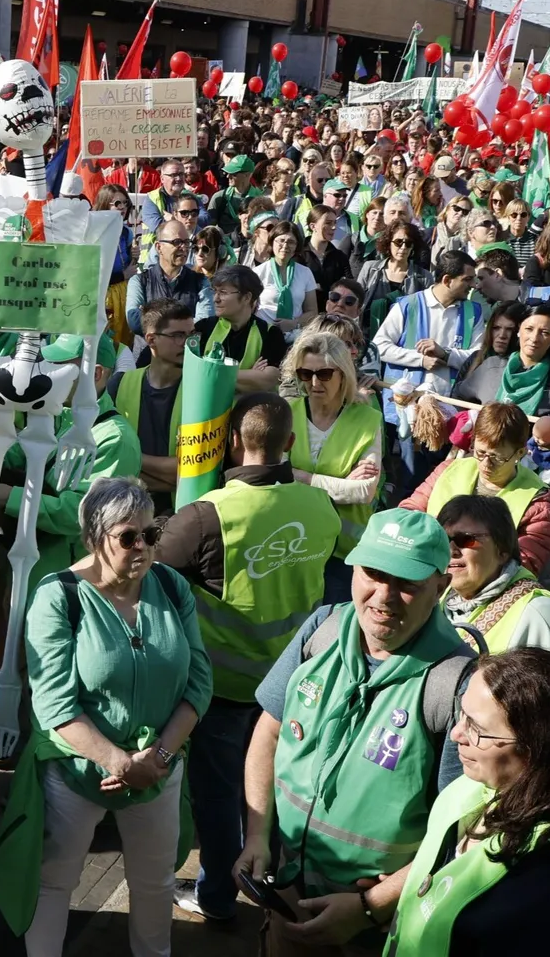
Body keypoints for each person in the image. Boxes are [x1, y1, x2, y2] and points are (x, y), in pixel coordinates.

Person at [239, 508, 476, 953]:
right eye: (374, 573)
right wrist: (256, 837)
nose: (384, 596)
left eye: (407, 583)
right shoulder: (322, 630)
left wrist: (371, 906)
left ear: (441, 586)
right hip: (288, 893)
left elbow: (464, 830)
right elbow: (269, 734)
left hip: (375, 927)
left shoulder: (457, 685)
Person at [0, 478, 211, 956]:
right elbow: (53, 703)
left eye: (151, 534)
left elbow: (199, 681)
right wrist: (119, 762)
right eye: (128, 537)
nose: (143, 547)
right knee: (55, 881)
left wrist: (158, 757)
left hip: (158, 768)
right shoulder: (59, 596)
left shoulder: (171, 586)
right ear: (94, 537)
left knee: (154, 882)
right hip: (76, 771)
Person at [154, 392, 338, 922]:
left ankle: (216, 897)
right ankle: (276, 884)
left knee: (218, 798)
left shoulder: (206, 515)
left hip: (224, 687)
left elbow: (151, 573)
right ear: (290, 442)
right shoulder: (320, 507)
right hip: (293, 684)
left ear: (233, 441)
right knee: (276, 789)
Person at [387, 648, 550, 954]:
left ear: (538, 749)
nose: (456, 734)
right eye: (462, 713)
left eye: (477, 729)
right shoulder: (481, 785)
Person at [434, 495, 550, 678]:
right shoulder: (440, 594)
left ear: (502, 551)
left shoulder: (541, 614)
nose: (452, 550)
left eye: (466, 540)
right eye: (443, 539)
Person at [401, 403, 550, 575]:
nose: (486, 464)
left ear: (520, 453)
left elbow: (525, 563)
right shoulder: (448, 469)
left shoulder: (539, 501)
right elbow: (409, 510)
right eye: (480, 452)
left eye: (497, 458)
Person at [282, 330, 382, 602]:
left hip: (343, 553)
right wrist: (342, 482)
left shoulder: (368, 419)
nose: (314, 383)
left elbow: (364, 491)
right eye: (306, 374)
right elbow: (277, 478)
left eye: (324, 374)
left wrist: (303, 477)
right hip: (292, 543)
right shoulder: (287, 411)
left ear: (343, 375)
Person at [376, 249, 485, 488]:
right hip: (409, 410)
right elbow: (380, 347)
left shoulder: (474, 312)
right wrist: (420, 360)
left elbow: (479, 357)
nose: (473, 285)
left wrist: (446, 354)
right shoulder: (408, 305)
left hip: (452, 411)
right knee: (410, 481)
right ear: (447, 280)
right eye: (467, 279)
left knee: (441, 482)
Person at [107, 298, 192, 503]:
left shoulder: (204, 390)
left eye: (192, 335)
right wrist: (171, 476)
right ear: (151, 340)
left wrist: (129, 460)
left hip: (180, 511)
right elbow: (104, 459)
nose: (188, 343)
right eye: (178, 335)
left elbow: (193, 472)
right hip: (124, 509)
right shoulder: (119, 384)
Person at [200, 264, 290, 392]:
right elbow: (195, 372)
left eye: (223, 292)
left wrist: (212, 372)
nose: (215, 299)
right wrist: (250, 374)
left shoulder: (269, 333)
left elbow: (268, 379)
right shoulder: (204, 328)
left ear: (247, 297)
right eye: (215, 291)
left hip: (248, 405)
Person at [123, 218, 205, 341]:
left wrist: (153, 319)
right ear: (159, 247)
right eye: (177, 242)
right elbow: (134, 321)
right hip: (150, 350)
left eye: (187, 242)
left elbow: (204, 322)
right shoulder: (140, 281)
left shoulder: (200, 281)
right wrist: (183, 326)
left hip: (187, 350)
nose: (184, 248)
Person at [257, 220, 321, 341]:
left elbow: (312, 312)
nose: (285, 245)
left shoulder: (305, 273)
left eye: (291, 242)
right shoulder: (258, 272)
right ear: (272, 242)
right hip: (262, 335)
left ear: (297, 246)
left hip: (295, 337)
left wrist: (294, 323)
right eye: (281, 240)